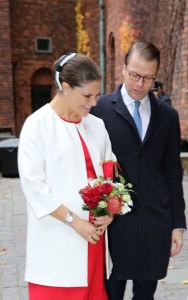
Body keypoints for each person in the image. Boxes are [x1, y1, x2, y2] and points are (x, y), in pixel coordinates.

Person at [92, 41, 186, 300]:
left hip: (155, 221)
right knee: (111, 292)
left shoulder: (168, 116)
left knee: (146, 294)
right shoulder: (98, 110)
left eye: (148, 78)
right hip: (113, 223)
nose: (139, 84)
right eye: (134, 74)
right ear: (123, 68)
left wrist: (177, 224)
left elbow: (173, 172)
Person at [18, 53, 116, 300]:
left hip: (93, 242)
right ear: (65, 87)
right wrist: (74, 221)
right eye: (87, 96)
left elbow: (109, 173)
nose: (93, 102)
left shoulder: (97, 126)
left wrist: (110, 210)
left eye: (97, 95)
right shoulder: (36, 125)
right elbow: (34, 186)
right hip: (56, 245)